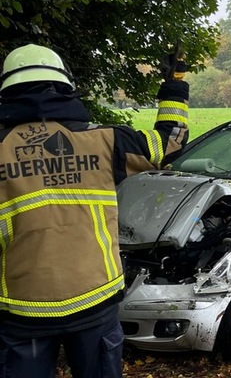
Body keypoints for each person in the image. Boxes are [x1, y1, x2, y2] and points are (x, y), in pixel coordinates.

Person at [0, 44, 190, 377]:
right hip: (95, 303)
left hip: (22, 311)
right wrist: (174, 85)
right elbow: (169, 141)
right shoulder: (105, 141)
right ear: (64, 87)